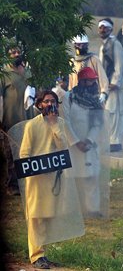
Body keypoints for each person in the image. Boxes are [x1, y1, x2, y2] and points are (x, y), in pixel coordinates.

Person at [18, 90, 85, 269]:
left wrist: (55, 125)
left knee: (48, 216)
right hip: (36, 179)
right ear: (39, 105)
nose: (50, 104)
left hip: (54, 179)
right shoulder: (32, 126)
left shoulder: (61, 123)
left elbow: (63, 148)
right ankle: (36, 255)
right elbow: (24, 153)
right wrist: (33, 168)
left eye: (53, 101)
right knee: (36, 217)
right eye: (46, 101)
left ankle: (43, 254)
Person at [61, 67, 108, 218]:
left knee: (91, 177)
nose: (92, 84)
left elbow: (98, 123)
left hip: (88, 146)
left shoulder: (95, 101)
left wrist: (89, 140)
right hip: (72, 145)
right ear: (81, 82)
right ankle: (70, 211)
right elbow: (65, 122)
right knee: (70, 179)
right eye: (89, 81)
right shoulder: (69, 97)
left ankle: (92, 210)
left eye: (94, 81)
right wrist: (76, 142)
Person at [97, 19, 123, 152]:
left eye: (105, 28)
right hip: (106, 85)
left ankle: (115, 142)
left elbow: (120, 65)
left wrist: (115, 82)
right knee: (108, 113)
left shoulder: (115, 44)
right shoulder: (103, 46)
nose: (102, 30)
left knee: (115, 113)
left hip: (114, 86)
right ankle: (109, 141)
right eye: (100, 28)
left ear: (110, 29)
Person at [1, 46, 29, 195]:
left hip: (28, 120)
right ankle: (12, 185)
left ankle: (25, 183)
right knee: (11, 153)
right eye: (12, 52)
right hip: (11, 120)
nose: (16, 54)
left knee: (26, 151)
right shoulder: (4, 74)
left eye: (18, 51)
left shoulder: (28, 71)